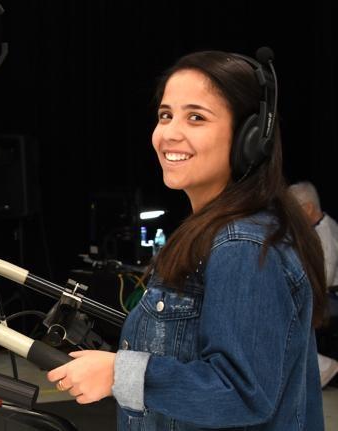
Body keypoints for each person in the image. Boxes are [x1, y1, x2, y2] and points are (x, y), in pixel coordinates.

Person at [47, 50, 326, 430]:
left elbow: (242, 392)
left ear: (250, 138)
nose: (169, 133)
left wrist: (119, 374)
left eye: (196, 117)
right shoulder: (217, 234)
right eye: (166, 115)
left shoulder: (242, 245)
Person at [288, 181, 338, 387]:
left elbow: (323, 279)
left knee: (284, 315)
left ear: (307, 208)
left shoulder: (325, 234)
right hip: (324, 294)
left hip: (330, 298)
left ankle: (323, 365)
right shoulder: (319, 229)